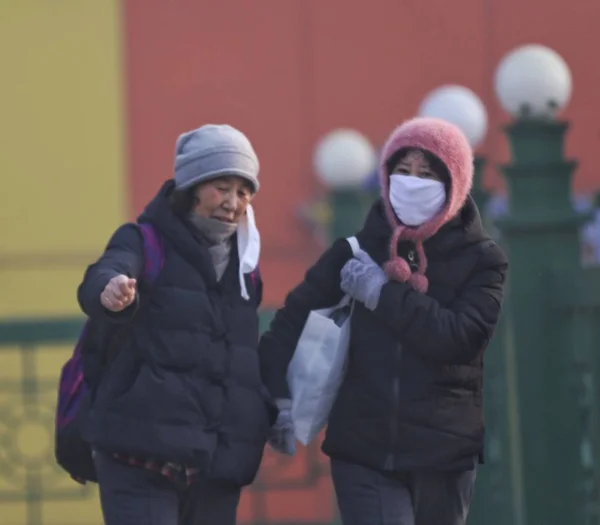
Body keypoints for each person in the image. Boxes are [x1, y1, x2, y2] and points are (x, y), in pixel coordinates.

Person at [259, 117, 508, 525]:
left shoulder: (484, 260)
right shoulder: (355, 253)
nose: (412, 182)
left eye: (427, 174)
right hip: (364, 449)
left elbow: (460, 338)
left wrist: (382, 294)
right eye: (402, 171)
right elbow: (290, 322)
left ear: (455, 185)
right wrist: (277, 398)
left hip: (442, 455)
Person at [77, 124, 278, 525]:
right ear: (192, 186)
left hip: (216, 465)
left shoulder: (247, 267)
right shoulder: (144, 240)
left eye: (243, 192)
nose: (233, 202)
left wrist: (265, 412)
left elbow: (240, 357)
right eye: (221, 187)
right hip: (140, 455)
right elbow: (107, 272)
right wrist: (112, 292)